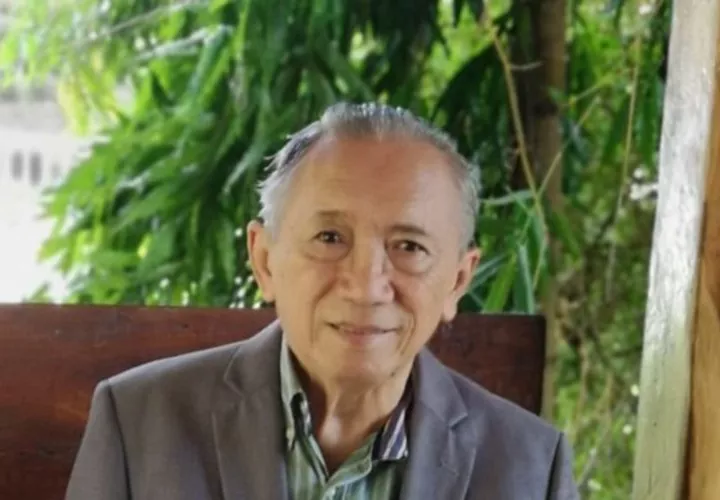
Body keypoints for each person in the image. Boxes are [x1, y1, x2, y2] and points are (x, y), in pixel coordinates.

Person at [66, 102, 579, 500]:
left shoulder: (533, 469)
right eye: (330, 238)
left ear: (457, 282)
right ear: (265, 260)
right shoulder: (137, 423)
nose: (366, 286)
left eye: (409, 247)